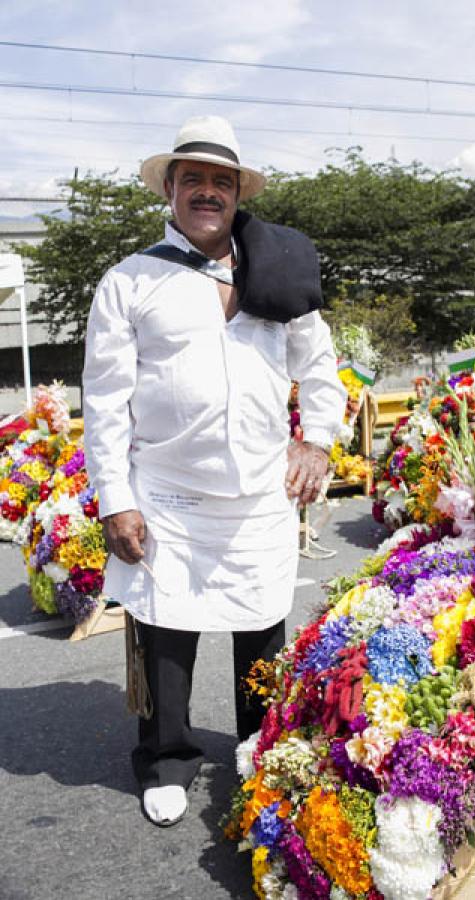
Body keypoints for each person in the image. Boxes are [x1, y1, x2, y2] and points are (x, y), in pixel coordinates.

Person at [83, 115, 346, 826]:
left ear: (236, 193)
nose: (206, 192)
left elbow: (319, 368)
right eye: (192, 178)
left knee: (261, 624)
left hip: (260, 490)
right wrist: (115, 498)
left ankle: (259, 748)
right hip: (166, 493)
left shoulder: (278, 270)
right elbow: (104, 401)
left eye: (220, 181)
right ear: (169, 189)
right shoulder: (129, 281)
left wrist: (316, 440)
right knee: (165, 627)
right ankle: (166, 758)